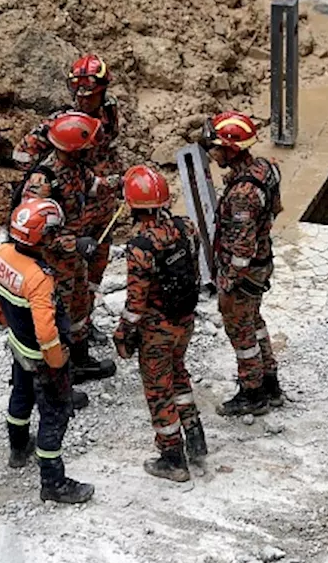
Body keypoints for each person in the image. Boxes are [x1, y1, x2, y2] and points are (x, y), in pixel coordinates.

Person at [0, 199, 95, 504]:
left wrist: (2, 318)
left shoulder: (2, 254)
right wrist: (57, 363)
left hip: (18, 346)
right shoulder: (38, 278)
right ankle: (53, 482)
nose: (56, 237)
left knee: (20, 395)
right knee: (54, 415)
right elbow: (46, 330)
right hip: (42, 357)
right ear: (41, 237)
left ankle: (18, 449)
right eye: (52, 233)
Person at [14, 54, 124, 343]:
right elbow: (22, 154)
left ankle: (84, 322)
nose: (84, 99)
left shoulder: (110, 111)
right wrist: (50, 182)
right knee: (69, 272)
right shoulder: (61, 122)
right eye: (79, 93)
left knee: (95, 269)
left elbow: (109, 149)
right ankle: (62, 334)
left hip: (102, 201)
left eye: (91, 93)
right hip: (74, 208)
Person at [113, 165, 207, 482]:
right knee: (178, 373)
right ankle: (195, 438)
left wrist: (123, 334)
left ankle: (172, 458)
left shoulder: (140, 247)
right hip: (185, 320)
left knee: (158, 390)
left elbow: (135, 302)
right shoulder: (186, 227)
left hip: (157, 329)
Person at [13, 111, 119, 383]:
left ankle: (80, 361)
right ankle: (58, 377)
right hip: (53, 263)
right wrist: (73, 242)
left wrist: (121, 183)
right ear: (73, 150)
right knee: (57, 316)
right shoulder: (43, 180)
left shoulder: (76, 168)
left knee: (80, 308)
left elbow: (93, 186)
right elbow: (32, 230)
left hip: (74, 260)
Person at [200, 111, 285, 417]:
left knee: (240, 332)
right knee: (255, 321)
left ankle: (253, 393)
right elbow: (274, 209)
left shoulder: (242, 196)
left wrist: (228, 282)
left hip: (245, 273)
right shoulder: (266, 169)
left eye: (217, 146)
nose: (212, 152)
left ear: (231, 149)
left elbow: (242, 248)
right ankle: (270, 382)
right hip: (263, 264)